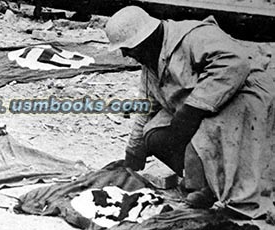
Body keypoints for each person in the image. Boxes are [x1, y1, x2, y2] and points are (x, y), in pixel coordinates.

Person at [104, 6, 274, 217]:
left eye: (127, 48)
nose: (125, 54)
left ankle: (240, 198)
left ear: (144, 39)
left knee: (207, 131)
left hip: (243, 95)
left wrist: (193, 109)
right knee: (154, 133)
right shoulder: (150, 61)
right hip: (202, 104)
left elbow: (235, 63)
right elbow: (145, 107)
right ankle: (206, 185)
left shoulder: (193, 37)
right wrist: (133, 152)